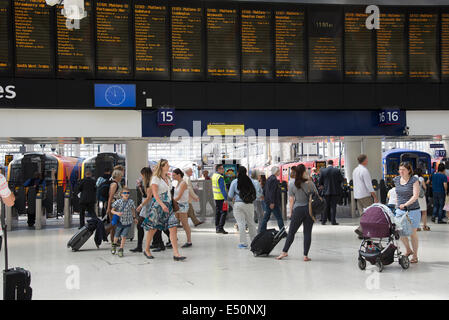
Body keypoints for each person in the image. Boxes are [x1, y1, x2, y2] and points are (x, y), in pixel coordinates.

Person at [142, 159, 186, 261]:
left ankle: (176, 253)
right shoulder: (155, 179)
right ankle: (146, 249)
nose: (169, 166)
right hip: (158, 207)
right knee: (153, 229)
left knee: (173, 227)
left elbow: (169, 193)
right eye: (167, 165)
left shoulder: (168, 178)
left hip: (168, 206)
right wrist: (162, 205)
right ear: (161, 167)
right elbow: (155, 194)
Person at [276, 165, 319, 262]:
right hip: (309, 210)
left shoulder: (292, 184)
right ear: (304, 172)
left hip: (297, 210)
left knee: (291, 232)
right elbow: (316, 195)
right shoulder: (310, 184)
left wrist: (290, 212)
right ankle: (305, 255)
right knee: (307, 233)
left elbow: (291, 200)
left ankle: (284, 251)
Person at [394, 162, 421, 264]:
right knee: (400, 232)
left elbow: (415, 196)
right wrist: (396, 204)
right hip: (400, 210)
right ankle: (408, 250)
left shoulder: (414, 180)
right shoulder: (396, 179)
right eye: (400, 169)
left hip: (413, 210)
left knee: (412, 233)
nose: (401, 171)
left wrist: (405, 204)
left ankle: (415, 256)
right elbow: (397, 193)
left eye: (403, 170)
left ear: (409, 170)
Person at [228, 166, 258, 248]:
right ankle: (255, 242)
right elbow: (255, 193)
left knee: (241, 224)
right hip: (249, 204)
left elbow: (230, 195)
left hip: (238, 205)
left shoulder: (234, 182)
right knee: (251, 223)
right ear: (246, 172)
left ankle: (243, 243)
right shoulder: (251, 181)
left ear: (238, 173)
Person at [353, 154, 379, 238]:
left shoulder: (355, 170)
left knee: (363, 214)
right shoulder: (364, 171)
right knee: (370, 213)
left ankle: (362, 231)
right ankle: (363, 230)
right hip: (365, 195)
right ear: (364, 161)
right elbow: (369, 185)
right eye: (367, 159)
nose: (367, 161)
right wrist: (375, 196)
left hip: (357, 195)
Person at [130, 167, 153, 253]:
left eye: (142, 174)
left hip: (148, 206)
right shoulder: (145, 183)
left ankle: (140, 246)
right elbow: (144, 195)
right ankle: (159, 243)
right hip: (146, 205)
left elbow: (148, 197)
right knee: (148, 226)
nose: (141, 176)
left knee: (142, 225)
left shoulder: (149, 184)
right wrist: (140, 186)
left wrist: (140, 205)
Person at [110, 187, 136, 258]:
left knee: (124, 236)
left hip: (128, 221)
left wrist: (134, 218)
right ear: (121, 194)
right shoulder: (118, 202)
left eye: (128, 193)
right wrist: (117, 213)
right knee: (117, 235)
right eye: (124, 193)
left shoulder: (131, 202)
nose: (126, 194)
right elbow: (112, 210)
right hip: (120, 222)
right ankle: (114, 245)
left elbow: (133, 210)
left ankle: (121, 249)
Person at [259, 167, 285, 233]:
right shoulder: (274, 180)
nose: (279, 172)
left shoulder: (269, 179)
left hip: (268, 201)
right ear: (276, 171)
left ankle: (262, 230)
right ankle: (282, 232)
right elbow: (272, 192)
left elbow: (265, 190)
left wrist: (266, 199)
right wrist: (272, 202)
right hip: (273, 202)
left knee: (266, 218)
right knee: (279, 217)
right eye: (278, 171)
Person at [172, 169, 193, 248]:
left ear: (179, 175)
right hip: (177, 205)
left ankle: (189, 241)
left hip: (182, 205)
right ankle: (174, 239)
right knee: (174, 223)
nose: (173, 177)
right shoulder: (178, 183)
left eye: (174, 175)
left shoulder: (183, 183)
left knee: (184, 224)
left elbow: (179, 196)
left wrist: (171, 202)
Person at [318, 160, 343, 225]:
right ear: (333, 163)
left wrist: (323, 185)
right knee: (333, 207)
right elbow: (341, 180)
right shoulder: (337, 170)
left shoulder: (323, 171)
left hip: (326, 191)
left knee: (325, 206)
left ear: (327, 164)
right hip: (335, 191)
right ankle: (333, 221)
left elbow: (320, 181)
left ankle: (323, 221)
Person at [105, 169, 123, 246]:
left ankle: (113, 240)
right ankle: (104, 232)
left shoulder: (116, 183)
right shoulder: (114, 184)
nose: (122, 177)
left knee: (114, 223)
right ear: (118, 176)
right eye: (121, 176)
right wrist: (108, 208)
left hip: (116, 205)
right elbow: (111, 196)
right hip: (113, 206)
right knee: (114, 223)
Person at [212, 164, 229, 234]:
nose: (223, 170)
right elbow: (222, 189)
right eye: (222, 168)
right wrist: (225, 198)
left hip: (216, 197)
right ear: (218, 169)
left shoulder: (214, 176)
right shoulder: (220, 177)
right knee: (224, 212)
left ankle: (217, 228)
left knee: (218, 213)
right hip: (222, 198)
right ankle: (221, 228)